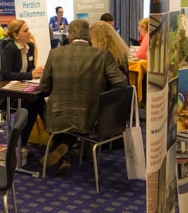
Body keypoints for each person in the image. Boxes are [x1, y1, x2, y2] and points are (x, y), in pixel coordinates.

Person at [37, 19, 128, 176]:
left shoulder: (55, 53)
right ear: (88, 36)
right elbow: (121, 82)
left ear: (69, 36)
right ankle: (65, 152)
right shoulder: (102, 55)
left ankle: (63, 155)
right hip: (88, 117)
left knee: (53, 113)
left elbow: (44, 88)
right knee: (74, 121)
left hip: (57, 116)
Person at [0, 19, 46, 150]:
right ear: (16, 35)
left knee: (37, 101)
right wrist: (30, 75)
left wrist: (36, 72)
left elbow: (29, 69)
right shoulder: (10, 49)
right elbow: (6, 74)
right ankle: (23, 142)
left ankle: (22, 143)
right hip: (10, 93)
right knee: (34, 103)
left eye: (28, 30)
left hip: (25, 89)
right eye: (25, 31)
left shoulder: (30, 46)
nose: (29, 33)